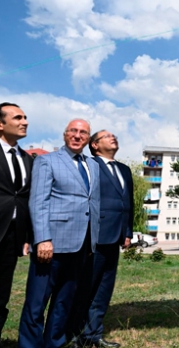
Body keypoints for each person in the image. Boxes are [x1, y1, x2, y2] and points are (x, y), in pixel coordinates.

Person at [18, 119, 101, 348]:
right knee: (36, 304)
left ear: (88, 139)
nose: (77, 135)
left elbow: (93, 203)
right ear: (65, 135)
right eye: (73, 131)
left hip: (81, 245)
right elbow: (38, 202)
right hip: (51, 244)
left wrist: (93, 241)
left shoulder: (92, 165)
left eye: (83, 132)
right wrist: (42, 238)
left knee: (64, 301)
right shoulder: (47, 161)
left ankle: (53, 343)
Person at [68, 131, 133, 348]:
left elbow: (128, 203)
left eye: (114, 135)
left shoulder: (124, 169)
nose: (113, 137)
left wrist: (128, 232)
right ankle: (75, 333)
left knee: (104, 289)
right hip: (94, 235)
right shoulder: (89, 165)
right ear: (95, 145)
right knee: (86, 286)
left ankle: (93, 335)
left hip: (115, 237)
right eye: (106, 136)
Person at [0, 103, 32, 344]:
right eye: (18, 117)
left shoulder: (27, 159)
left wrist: (27, 235)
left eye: (25, 117)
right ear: (1, 124)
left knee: (2, 295)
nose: (24, 122)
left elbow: (26, 198)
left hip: (12, 236)